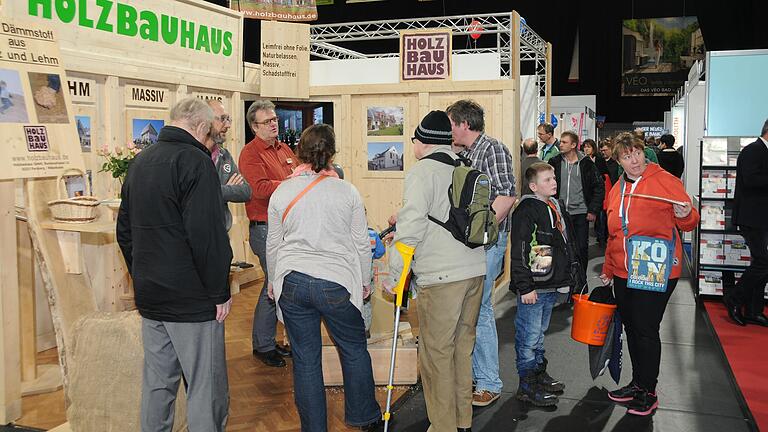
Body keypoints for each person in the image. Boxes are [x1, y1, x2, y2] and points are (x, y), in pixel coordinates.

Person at [117, 97, 233, 432]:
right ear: (200, 126)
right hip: (192, 298)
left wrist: (141, 272)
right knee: (204, 386)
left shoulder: (140, 162)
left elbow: (124, 230)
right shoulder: (195, 162)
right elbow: (207, 236)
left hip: (151, 294)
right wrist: (218, 292)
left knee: (158, 383)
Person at [266, 124, 382, 432]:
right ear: (332, 153)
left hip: (292, 281)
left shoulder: (282, 191)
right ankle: (365, 418)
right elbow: (361, 242)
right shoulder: (347, 191)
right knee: (354, 350)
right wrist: (364, 280)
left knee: (305, 360)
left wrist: (272, 282)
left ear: (299, 152)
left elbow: (274, 243)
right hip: (336, 282)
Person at [385, 111, 486, 431]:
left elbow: (409, 231)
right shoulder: (464, 166)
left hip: (441, 278)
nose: (413, 144)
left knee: (435, 356)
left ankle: (442, 426)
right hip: (475, 271)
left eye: (414, 139)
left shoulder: (422, 171)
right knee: (461, 349)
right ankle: (462, 421)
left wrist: (394, 278)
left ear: (423, 141)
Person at [601, 132, 699, 416]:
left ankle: (648, 390)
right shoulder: (617, 188)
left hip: (656, 268)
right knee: (632, 328)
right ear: (618, 160)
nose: (633, 160)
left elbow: (690, 222)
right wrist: (609, 267)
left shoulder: (666, 181)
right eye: (626, 156)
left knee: (645, 328)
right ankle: (637, 383)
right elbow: (614, 233)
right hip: (623, 270)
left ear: (644, 152)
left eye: (636, 153)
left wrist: (684, 213)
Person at [447, 99, 517, 407]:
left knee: (481, 310)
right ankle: (477, 376)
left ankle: (489, 382)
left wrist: (480, 233)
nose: (449, 129)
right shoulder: (462, 154)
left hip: (487, 243)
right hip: (470, 244)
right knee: (471, 310)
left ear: (464, 124)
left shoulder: (492, 149)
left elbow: (507, 196)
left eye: (451, 123)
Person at [510, 162, 576, 407]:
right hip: (534, 286)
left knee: (538, 336)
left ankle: (539, 374)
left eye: (554, 178)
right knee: (528, 337)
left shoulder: (554, 205)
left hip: (550, 284)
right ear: (533, 186)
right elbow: (520, 249)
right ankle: (526, 385)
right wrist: (525, 286)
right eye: (547, 180)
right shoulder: (527, 209)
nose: (554, 182)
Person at [239, 99, 297, 367]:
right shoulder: (250, 154)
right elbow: (259, 188)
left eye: (275, 119)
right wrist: (291, 183)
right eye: (268, 121)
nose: (274, 124)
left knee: (279, 284)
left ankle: (270, 340)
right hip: (264, 229)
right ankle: (262, 345)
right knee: (273, 285)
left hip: (286, 228)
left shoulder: (284, 148)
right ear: (254, 127)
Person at [725, 119, 768, 327]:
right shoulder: (753, 150)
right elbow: (750, 181)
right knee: (762, 262)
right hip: (752, 217)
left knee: (762, 263)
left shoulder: (761, 150)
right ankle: (734, 299)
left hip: (760, 216)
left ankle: (753, 310)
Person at [548, 131, 604, 274]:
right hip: (559, 213)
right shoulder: (554, 162)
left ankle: (580, 281)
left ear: (573, 145)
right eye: (560, 141)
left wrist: (593, 210)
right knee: (560, 248)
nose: (560, 144)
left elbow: (598, 186)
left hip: (580, 213)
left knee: (580, 248)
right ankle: (563, 280)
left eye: (564, 142)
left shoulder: (586, 164)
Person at [206, 100, 251, 231]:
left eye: (228, 119)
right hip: (196, 238)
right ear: (205, 121)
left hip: (222, 233)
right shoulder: (191, 156)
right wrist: (228, 189)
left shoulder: (224, 155)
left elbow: (246, 191)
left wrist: (219, 191)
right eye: (222, 119)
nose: (228, 125)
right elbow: (193, 194)